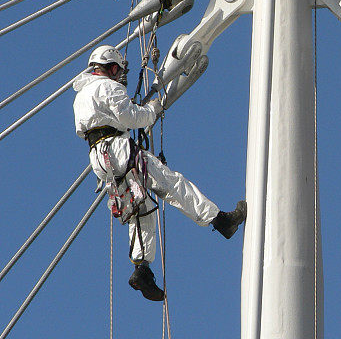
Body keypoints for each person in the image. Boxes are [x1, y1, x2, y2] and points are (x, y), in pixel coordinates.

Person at [73, 44, 247, 301]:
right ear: (110, 68)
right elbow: (131, 117)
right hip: (119, 150)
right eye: (117, 70)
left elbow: (110, 120)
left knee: (138, 209)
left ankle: (141, 268)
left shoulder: (82, 95)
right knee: (170, 183)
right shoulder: (108, 87)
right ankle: (220, 220)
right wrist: (152, 111)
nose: (121, 76)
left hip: (99, 160)